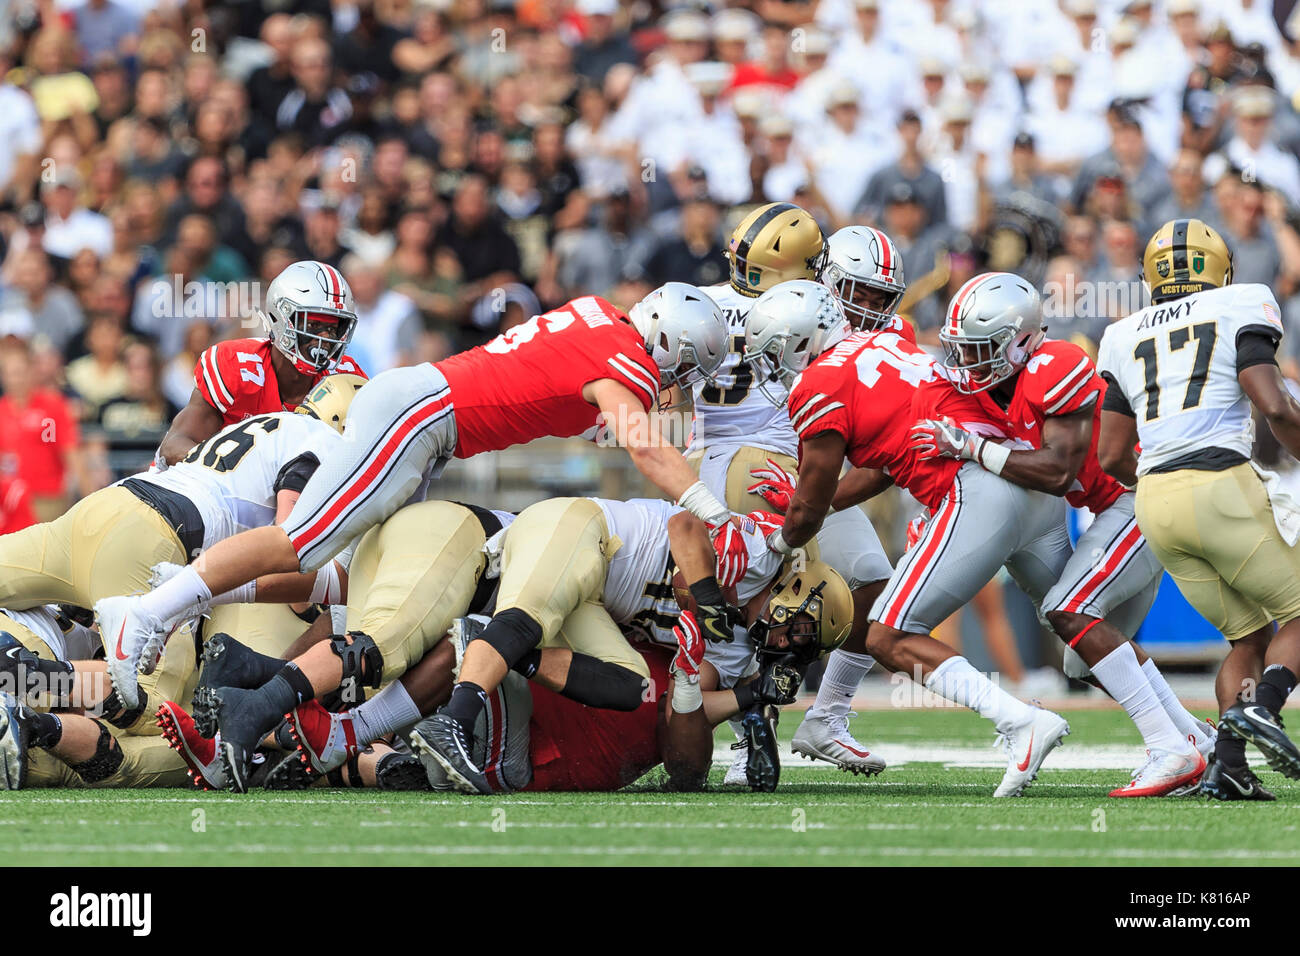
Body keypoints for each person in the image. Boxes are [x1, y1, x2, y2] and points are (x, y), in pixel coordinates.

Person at [96, 283, 732, 706]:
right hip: (422, 414)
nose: (677, 380)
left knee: (354, 575)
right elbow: (645, 444)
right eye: (683, 365)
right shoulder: (625, 354)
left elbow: (573, 404)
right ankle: (149, 610)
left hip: (426, 418)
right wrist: (712, 507)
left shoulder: (599, 318)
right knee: (302, 544)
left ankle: (242, 664)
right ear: (670, 340)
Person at [746, 278, 1073, 797]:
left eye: (778, 351)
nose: (777, 364)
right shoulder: (888, 338)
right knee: (1081, 623)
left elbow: (813, 502)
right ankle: (1179, 735)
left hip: (971, 490)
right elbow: (882, 468)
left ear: (799, 340)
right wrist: (808, 505)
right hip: (1020, 472)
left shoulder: (819, 382)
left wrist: (780, 545)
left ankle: (1017, 720)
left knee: (887, 633)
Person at [914, 271, 1213, 796]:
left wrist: (972, 448)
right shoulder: (987, 392)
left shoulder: (1057, 364)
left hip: (1141, 497)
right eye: (962, 349)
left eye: (982, 349)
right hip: (1117, 507)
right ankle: (1194, 739)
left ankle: (1168, 749)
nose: (967, 362)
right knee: (1085, 654)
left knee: (1068, 609)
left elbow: (1054, 472)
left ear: (1024, 340)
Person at [1097, 218, 1300, 799]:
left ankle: (1228, 766)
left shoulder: (1121, 333)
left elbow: (1111, 453)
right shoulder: (1243, 302)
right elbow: (1275, 407)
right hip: (1220, 483)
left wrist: (1163, 483)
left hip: (1155, 501)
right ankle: (1264, 709)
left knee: (1249, 636)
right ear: (1221, 268)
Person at [157, 259, 366, 464]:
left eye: (333, 328)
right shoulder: (237, 366)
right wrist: (232, 470)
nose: (324, 338)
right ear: (281, 317)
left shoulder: (345, 379)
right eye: (312, 324)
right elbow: (174, 445)